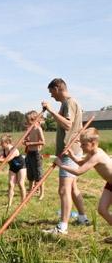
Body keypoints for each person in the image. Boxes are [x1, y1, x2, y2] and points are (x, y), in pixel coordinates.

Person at [42, 78, 89, 234]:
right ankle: (83, 218)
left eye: (51, 92)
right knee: (73, 188)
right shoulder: (67, 103)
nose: (51, 96)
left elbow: (68, 124)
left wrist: (50, 111)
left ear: (57, 88)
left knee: (63, 190)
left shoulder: (69, 103)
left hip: (69, 152)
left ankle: (62, 227)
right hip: (72, 150)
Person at [54, 128, 112, 242]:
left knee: (103, 210)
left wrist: (61, 165)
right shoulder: (92, 153)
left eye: (84, 144)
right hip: (110, 184)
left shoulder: (97, 156)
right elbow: (81, 162)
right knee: (102, 210)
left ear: (93, 143)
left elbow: (79, 171)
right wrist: (71, 156)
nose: (81, 147)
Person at [0, 134, 26, 208]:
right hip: (12, 167)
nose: (0, 144)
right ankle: (9, 203)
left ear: (7, 142)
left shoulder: (14, 150)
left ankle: (23, 203)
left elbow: (6, 160)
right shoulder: (3, 150)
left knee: (21, 184)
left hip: (21, 167)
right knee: (10, 184)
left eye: (2, 143)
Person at [24, 110, 45, 200]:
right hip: (29, 153)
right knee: (30, 174)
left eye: (28, 120)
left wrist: (31, 143)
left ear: (33, 120)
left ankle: (41, 193)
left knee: (38, 175)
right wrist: (25, 141)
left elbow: (43, 142)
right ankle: (30, 191)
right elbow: (26, 139)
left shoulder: (38, 129)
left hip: (36, 153)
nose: (27, 122)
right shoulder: (30, 129)